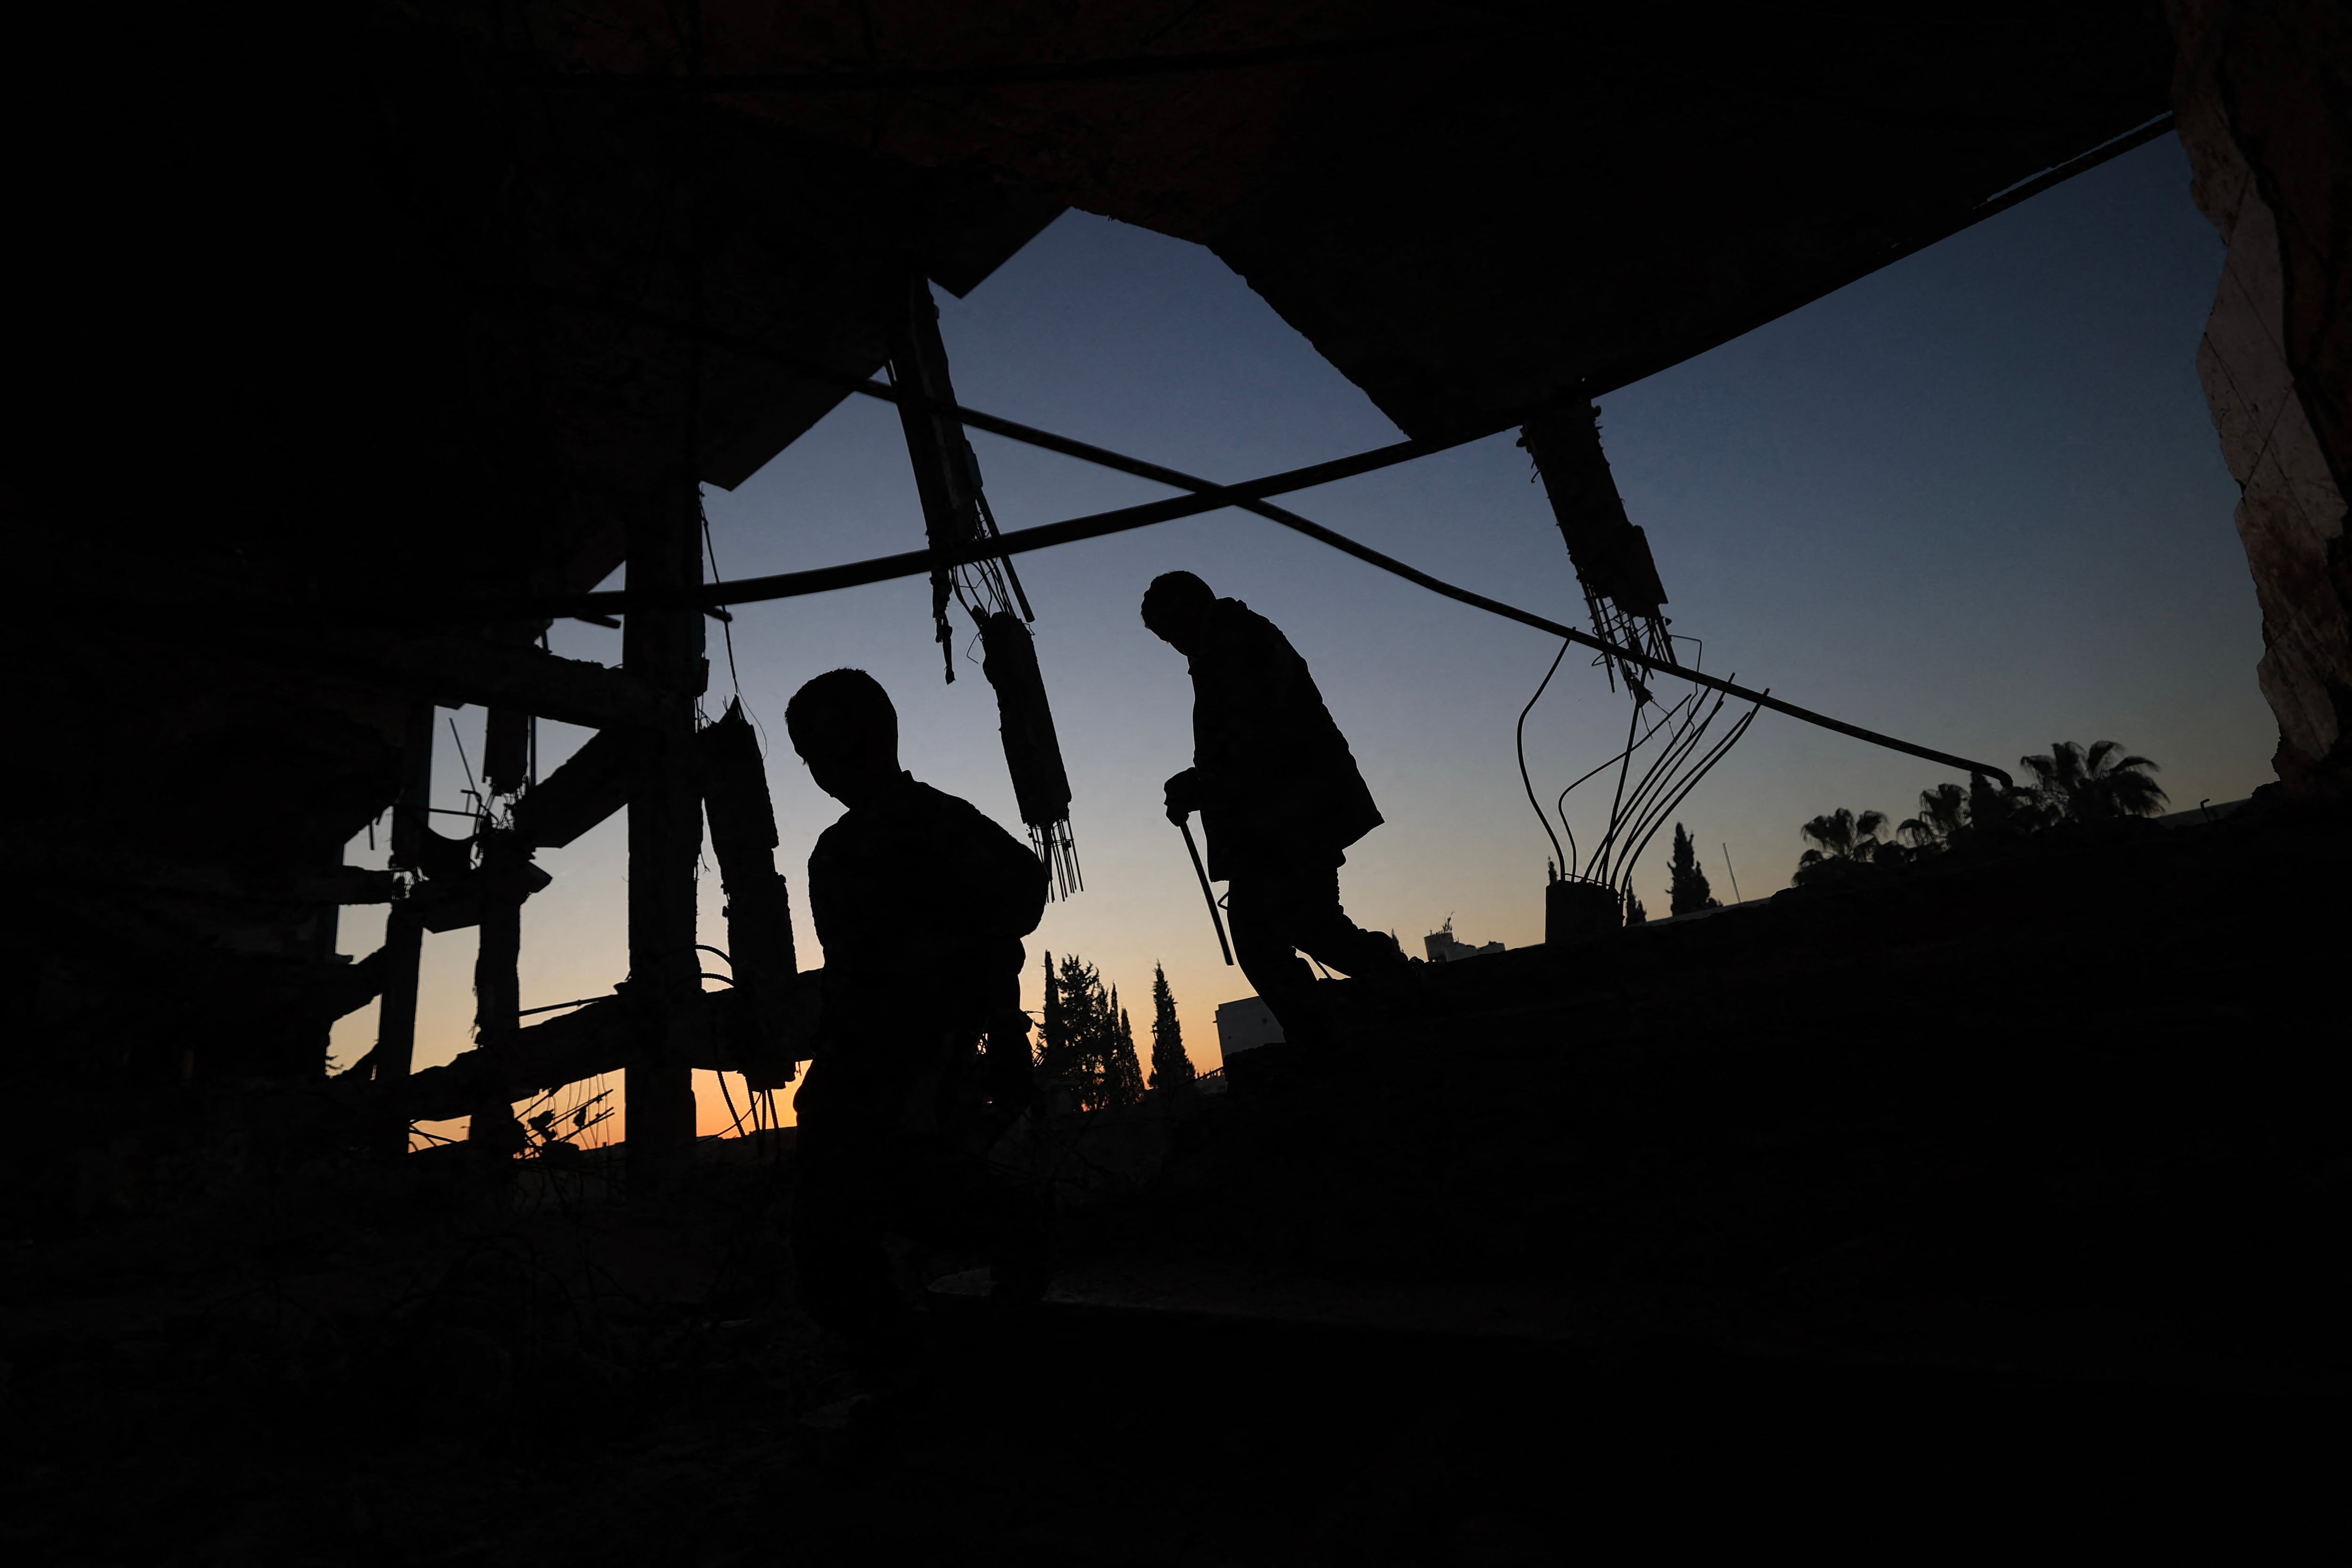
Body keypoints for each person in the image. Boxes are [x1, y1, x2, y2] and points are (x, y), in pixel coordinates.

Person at [784, 668, 1049, 1398]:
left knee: (905, 1210)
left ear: (869, 741)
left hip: (918, 1060)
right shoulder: (838, 851)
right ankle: (915, 1371)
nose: (819, 770)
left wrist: (993, 1020)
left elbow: (1019, 902)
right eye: (808, 754)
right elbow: (852, 972)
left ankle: (952, 1363)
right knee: (837, 1245)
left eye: (826, 749)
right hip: (863, 1062)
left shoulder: (933, 824)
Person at [1140, 572, 1406, 1048]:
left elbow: (1257, 739)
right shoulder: (1227, 647)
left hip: (1289, 820)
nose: (1175, 646)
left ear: (1189, 611)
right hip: (1283, 822)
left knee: (1270, 934)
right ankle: (1365, 1003)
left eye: (1172, 633)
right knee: (1305, 926)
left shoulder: (1237, 645)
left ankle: (1333, 1026)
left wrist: (1200, 785)